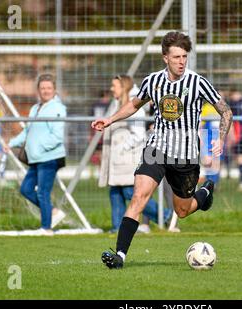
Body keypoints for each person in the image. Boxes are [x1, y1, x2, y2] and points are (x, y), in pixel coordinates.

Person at [92, 31, 233, 269]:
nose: (181, 61)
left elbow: (226, 111)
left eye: (184, 57)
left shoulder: (197, 82)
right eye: (176, 56)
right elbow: (134, 105)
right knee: (138, 196)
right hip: (156, 149)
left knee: (183, 209)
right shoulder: (153, 81)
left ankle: (205, 193)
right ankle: (119, 256)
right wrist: (110, 119)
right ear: (165, 57)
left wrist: (220, 138)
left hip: (186, 156)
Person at [98, 74, 172, 234]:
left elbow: (138, 134)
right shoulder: (117, 102)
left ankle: (166, 215)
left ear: (123, 87)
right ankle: (117, 227)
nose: (111, 89)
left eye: (115, 86)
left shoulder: (132, 103)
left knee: (131, 193)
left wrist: (121, 148)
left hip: (128, 158)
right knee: (115, 191)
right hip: (117, 160)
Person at [3, 74, 67, 235]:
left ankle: (46, 228)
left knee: (42, 192)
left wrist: (39, 147)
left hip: (49, 158)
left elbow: (57, 136)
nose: (45, 91)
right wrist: (11, 144)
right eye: (43, 88)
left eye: (49, 88)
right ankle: (53, 212)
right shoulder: (35, 108)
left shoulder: (58, 108)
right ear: (38, 90)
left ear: (54, 90)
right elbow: (27, 132)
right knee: (25, 189)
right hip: (35, 159)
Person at [200, 101, 221, 185]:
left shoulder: (220, 107)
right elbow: (201, 126)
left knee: (215, 163)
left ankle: (213, 184)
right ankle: (209, 183)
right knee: (209, 162)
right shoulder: (206, 108)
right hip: (208, 140)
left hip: (217, 139)